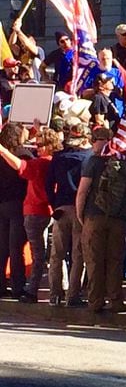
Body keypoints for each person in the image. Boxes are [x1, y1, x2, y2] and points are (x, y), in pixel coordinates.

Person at [76, 127, 126, 313]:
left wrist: (81, 214)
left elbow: (82, 191)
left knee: (94, 260)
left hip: (94, 215)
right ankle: (115, 300)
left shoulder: (93, 162)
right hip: (119, 218)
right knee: (115, 260)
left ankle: (95, 301)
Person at [0, 126, 62, 303]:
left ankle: (26, 288)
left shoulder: (39, 162)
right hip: (33, 208)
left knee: (16, 248)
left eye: (40, 144)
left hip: (31, 209)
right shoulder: (49, 160)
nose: (36, 146)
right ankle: (20, 287)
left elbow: (22, 166)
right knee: (22, 248)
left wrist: (2, 150)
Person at [44, 120, 93, 307]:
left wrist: (53, 203)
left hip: (61, 208)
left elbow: (48, 184)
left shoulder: (58, 157)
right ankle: (73, 295)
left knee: (57, 253)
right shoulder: (88, 157)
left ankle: (54, 294)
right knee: (78, 254)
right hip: (81, 209)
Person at [0, 123, 31, 299]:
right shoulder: (23, 154)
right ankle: (18, 286)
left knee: (2, 246)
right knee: (15, 247)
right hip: (18, 203)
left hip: (2, 202)